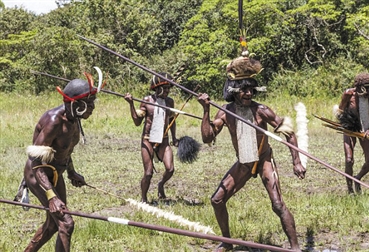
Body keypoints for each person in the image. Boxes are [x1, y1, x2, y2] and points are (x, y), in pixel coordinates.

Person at [197, 55, 306, 252]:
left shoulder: (261, 110)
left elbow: (289, 133)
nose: (248, 93)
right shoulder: (225, 112)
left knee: (278, 204)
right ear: (234, 90)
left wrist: (296, 161)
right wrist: (205, 111)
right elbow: (207, 137)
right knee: (217, 200)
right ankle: (227, 242)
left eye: (250, 89)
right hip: (244, 163)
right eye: (243, 89)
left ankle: (295, 247)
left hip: (263, 160)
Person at [14, 73, 100, 252]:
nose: (92, 108)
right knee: (66, 223)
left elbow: (65, 150)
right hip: (37, 174)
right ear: (76, 104)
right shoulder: (54, 121)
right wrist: (51, 196)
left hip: (55, 172)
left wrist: (71, 172)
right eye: (89, 104)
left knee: (55, 225)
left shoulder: (74, 119)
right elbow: (36, 160)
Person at [124, 73, 178, 203]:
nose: (167, 91)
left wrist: (174, 137)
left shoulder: (169, 102)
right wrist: (131, 104)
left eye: (168, 89)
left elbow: (172, 120)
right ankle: (143, 198)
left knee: (170, 169)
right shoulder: (147, 100)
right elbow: (137, 122)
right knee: (148, 173)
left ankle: (161, 185)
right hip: (148, 140)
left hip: (163, 140)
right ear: (157, 88)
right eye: (164, 89)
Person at [336, 72, 369, 194]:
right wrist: (345, 124)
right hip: (350, 129)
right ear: (359, 87)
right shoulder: (348, 94)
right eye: (367, 87)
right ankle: (350, 190)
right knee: (349, 160)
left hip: (365, 129)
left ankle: (357, 178)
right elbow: (340, 111)